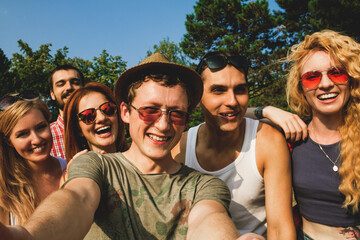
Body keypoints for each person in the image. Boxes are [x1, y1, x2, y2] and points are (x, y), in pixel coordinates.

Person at [0, 53, 264, 240]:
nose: (163, 125)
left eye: (176, 114)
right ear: (125, 112)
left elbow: (209, 218)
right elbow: (77, 199)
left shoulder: (204, 186)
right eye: (150, 111)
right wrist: (25, 236)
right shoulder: (94, 166)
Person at [172, 51, 296, 239]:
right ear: (197, 98)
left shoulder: (268, 142)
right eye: (218, 90)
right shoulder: (181, 147)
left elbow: (280, 229)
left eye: (240, 90)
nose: (232, 101)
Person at [276, 30, 360, 239]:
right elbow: (229, 115)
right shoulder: (291, 139)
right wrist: (267, 110)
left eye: (337, 72)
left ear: (351, 80)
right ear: (301, 88)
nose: (325, 84)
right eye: (312, 77)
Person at [0, 92, 67, 225]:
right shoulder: (5, 191)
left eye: (41, 127)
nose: (36, 140)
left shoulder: (70, 169)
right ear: (8, 141)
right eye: (22, 134)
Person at [63, 82, 127, 161]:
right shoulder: (77, 171)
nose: (101, 118)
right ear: (78, 129)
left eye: (107, 109)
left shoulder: (141, 162)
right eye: (88, 115)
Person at [49, 65, 85, 159]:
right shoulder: (45, 138)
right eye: (61, 84)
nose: (69, 87)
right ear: (52, 94)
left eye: (75, 82)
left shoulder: (101, 127)